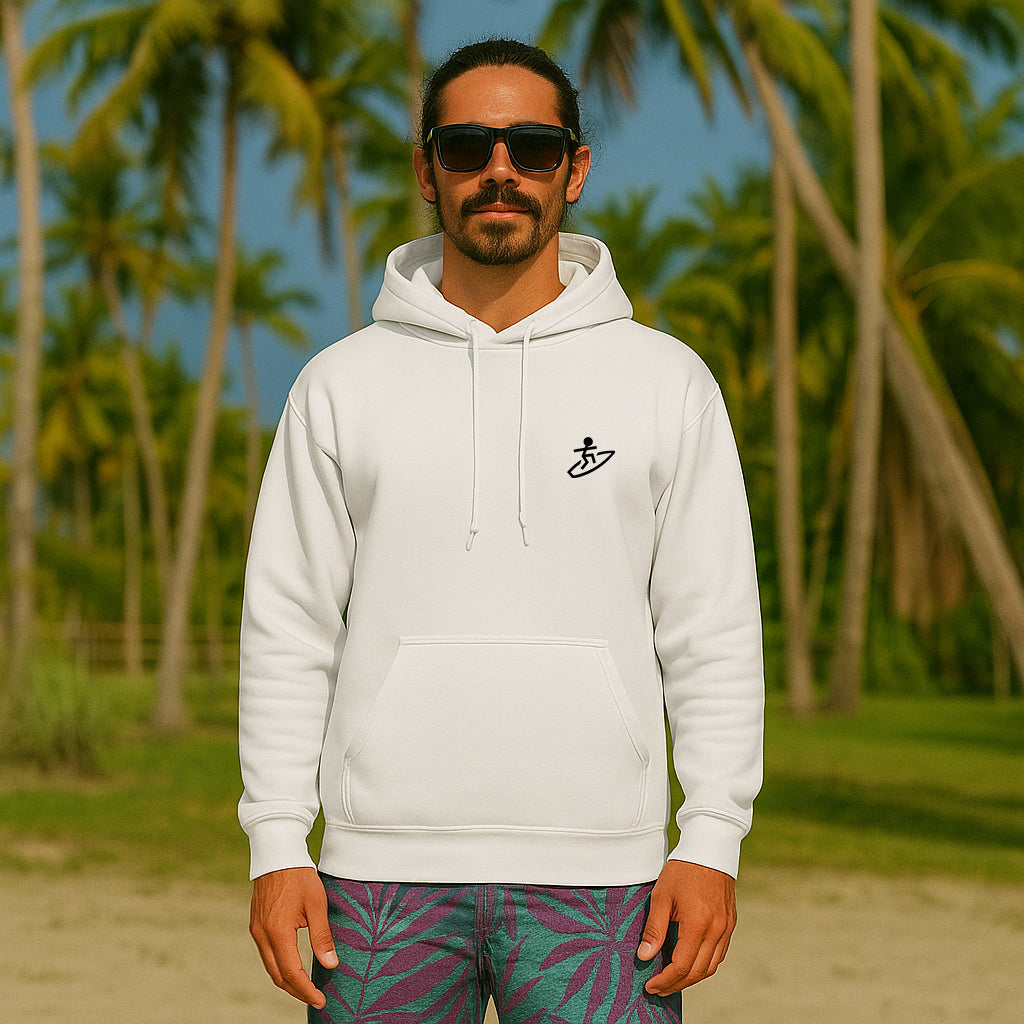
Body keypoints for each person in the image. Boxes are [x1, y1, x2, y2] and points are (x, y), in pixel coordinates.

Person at [239, 37, 764, 1024]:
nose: (499, 170)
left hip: (607, 882)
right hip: (376, 879)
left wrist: (711, 840)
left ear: (575, 168)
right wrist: (275, 841)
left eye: (531, 146)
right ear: (426, 170)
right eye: (465, 147)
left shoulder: (666, 383)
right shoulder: (339, 386)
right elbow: (288, 628)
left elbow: (712, 630)